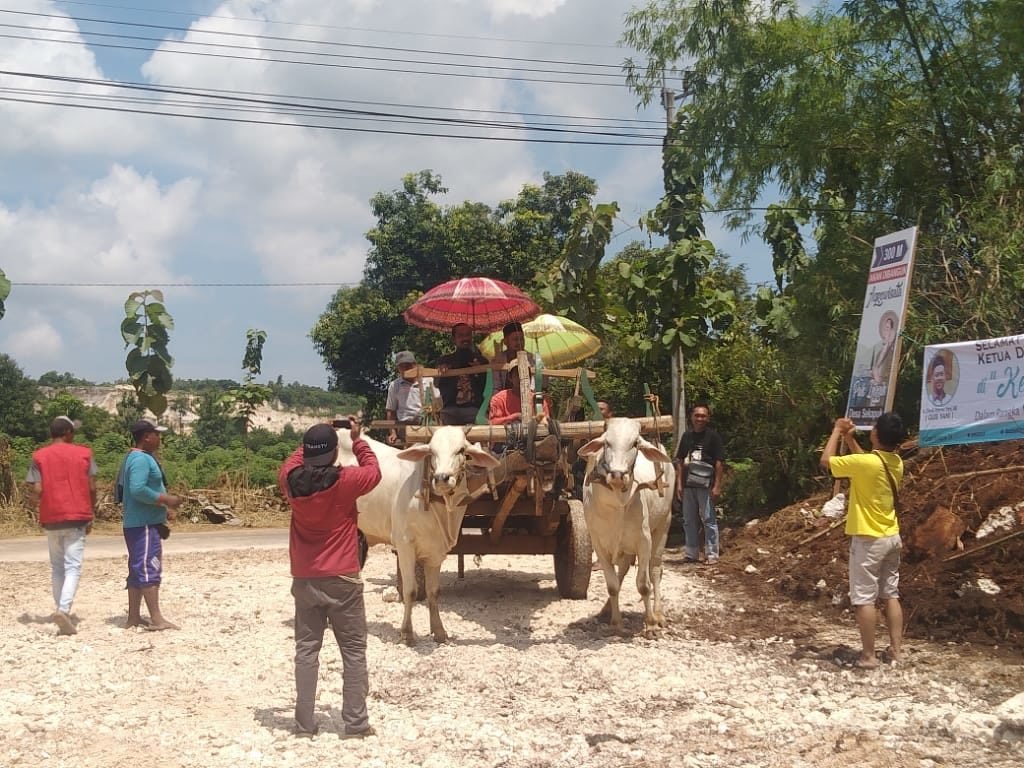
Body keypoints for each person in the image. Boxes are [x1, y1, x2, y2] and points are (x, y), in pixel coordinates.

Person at [279, 417, 382, 739]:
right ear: (335, 454)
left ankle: (304, 724)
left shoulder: (288, 481)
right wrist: (358, 438)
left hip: (305, 577)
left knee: (306, 650)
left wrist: (311, 438)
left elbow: (294, 462)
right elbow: (374, 470)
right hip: (343, 577)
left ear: (307, 453)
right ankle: (355, 724)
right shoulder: (346, 481)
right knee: (352, 651)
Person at [819, 412, 906, 669]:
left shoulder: (866, 463)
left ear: (876, 433)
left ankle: (869, 656)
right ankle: (896, 651)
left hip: (869, 539)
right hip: (891, 535)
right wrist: (850, 437)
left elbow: (826, 462)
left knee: (864, 598)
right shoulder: (896, 462)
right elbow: (867, 460)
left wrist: (836, 431)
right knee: (890, 593)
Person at [25, 416, 97, 635]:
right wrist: (91, 513)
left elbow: (36, 489)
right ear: (67, 432)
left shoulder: (38, 456)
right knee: (73, 566)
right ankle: (64, 610)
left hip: (51, 516)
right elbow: (92, 487)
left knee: (57, 566)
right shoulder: (85, 453)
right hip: (76, 516)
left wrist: (37, 504)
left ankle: (60, 609)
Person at [121, 418, 181, 630]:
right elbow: (137, 489)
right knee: (148, 567)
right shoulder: (141, 460)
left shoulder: (137, 457)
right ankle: (157, 619)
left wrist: (163, 511)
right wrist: (165, 500)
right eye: (157, 434)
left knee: (137, 569)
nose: (159, 438)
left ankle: (134, 617)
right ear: (146, 437)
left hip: (141, 522)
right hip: (143, 524)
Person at [674, 403, 725, 564]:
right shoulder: (687, 436)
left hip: (706, 485)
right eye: (697, 415)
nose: (700, 419)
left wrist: (717, 486)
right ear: (692, 417)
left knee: (709, 519)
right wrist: (679, 485)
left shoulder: (713, 437)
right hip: (689, 485)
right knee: (689, 520)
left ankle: (712, 554)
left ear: (707, 418)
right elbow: (680, 460)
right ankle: (691, 553)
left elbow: (719, 462)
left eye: (703, 416)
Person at [436, 323, 490, 425]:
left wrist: (479, 372)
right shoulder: (444, 361)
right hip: (450, 409)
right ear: (454, 339)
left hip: (473, 409)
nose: (465, 338)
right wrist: (443, 371)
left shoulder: (481, 360)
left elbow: (487, 388)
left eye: (468, 335)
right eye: (461, 335)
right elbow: (437, 384)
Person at [384, 350, 439, 445]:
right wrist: (393, 433)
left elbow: (439, 405)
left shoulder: (429, 381)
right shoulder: (395, 385)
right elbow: (391, 411)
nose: (406, 369)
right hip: (405, 426)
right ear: (398, 368)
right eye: (402, 366)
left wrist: (431, 409)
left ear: (415, 365)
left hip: (428, 423)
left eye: (408, 365)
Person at [491, 321, 535, 392]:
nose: (519, 343)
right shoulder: (498, 360)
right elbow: (496, 386)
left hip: (526, 396)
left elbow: (533, 385)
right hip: (504, 399)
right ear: (505, 341)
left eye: (521, 339)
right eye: (515, 339)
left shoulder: (531, 358)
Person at [869, 311, 898, 385]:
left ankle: (878, 378)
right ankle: (876, 377)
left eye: (888, 322)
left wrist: (887, 342)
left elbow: (890, 342)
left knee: (880, 363)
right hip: (884, 348)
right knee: (876, 364)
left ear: (891, 324)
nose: (887, 324)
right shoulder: (886, 331)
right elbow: (884, 341)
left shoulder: (893, 332)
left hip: (888, 349)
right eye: (886, 322)